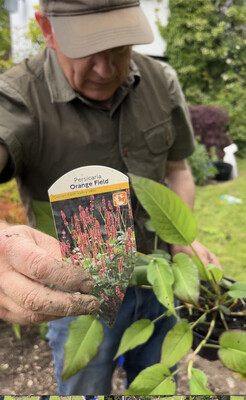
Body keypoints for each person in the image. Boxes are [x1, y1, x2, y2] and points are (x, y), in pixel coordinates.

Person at [0, 0, 220, 394]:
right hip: (78, 295)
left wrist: (180, 239)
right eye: (87, 50)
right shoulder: (18, 97)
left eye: (119, 47)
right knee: (86, 390)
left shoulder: (161, 81)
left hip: (159, 282)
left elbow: (178, 171)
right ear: (47, 30)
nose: (106, 69)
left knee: (155, 384)